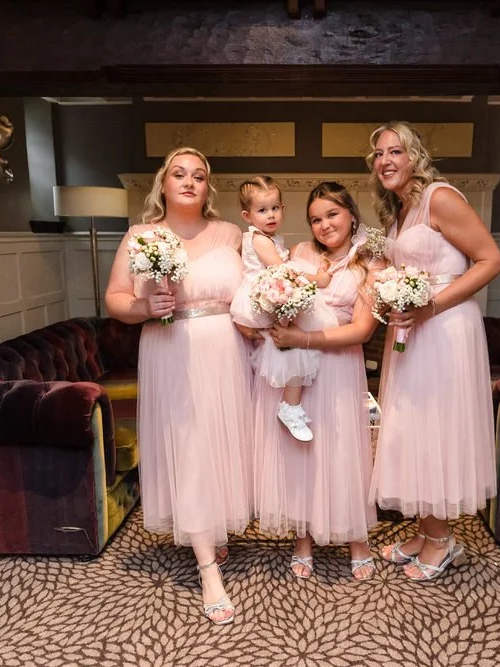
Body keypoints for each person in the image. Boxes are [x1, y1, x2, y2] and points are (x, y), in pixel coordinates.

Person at [104, 147, 252, 624]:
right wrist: (144, 308)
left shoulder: (231, 234)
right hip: (170, 349)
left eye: (200, 176)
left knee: (220, 445)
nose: (190, 182)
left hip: (227, 351)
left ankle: (210, 527)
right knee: (188, 446)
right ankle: (208, 568)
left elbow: (255, 292)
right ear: (163, 184)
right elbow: (115, 299)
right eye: (179, 174)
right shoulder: (142, 235)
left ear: (209, 187)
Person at [367, 121, 500, 581]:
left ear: (414, 157)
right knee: (414, 428)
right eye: (379, 154)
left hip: (445, 328)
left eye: (395, 151)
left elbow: (490, 260)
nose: (385, 160)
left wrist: (429, 306)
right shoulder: (398, 211)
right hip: (412, 331)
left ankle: (444, 540)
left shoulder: (440, 198)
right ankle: (426, 534)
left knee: (438, 425)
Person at [258, 181, 381, 581]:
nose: (324, 224)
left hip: (341, 363)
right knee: (301, 451)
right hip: (299, 367)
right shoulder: (299, 254)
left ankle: (356, 536)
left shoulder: (371, 262)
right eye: (315, 218)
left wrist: (303, 337)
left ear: (350, 213)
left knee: (345, 447)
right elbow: (281, 301)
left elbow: (362, 330)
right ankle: (303, 537)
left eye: (332, 214)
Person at [229, 175, 333, 442]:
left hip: (271, 293)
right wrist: (318, 280)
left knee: (291, 347)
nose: (271, 215)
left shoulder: (271, 238)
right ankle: (290, 406)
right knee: (294, 348)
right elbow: (283, 272)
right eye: (262, 210)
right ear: (247, 215)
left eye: (275, 208)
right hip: (263, 297)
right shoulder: (261, 240)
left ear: (283, 209)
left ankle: (291, 404)